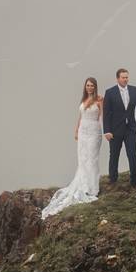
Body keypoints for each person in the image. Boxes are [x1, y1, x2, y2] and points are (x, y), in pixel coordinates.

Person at [41, 77, 107, 218]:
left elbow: (103, 116)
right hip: (83, 131)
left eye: (92, 85)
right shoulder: (83, 100)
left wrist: (106, 129)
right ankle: (83, 184)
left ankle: (92, 187)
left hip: (94, 131)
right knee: (82, 159)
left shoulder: (99, 100)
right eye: (87, 85)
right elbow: (81, 116)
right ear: (85, 87)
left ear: (95, 87)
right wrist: (76, 130)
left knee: (92, 158)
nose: (89, 87)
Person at [103, 67, 136, 188]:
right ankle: (113, 180)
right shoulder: (110, 92)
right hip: (115, 130)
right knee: (114, 155)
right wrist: (107, 131)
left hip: (131, 129)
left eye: (127, 77)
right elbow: (106, 113)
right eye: (123, 77)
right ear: (118, 79)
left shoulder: (135, 90)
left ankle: (135, 181)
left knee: (132, 154)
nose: (125, 79)